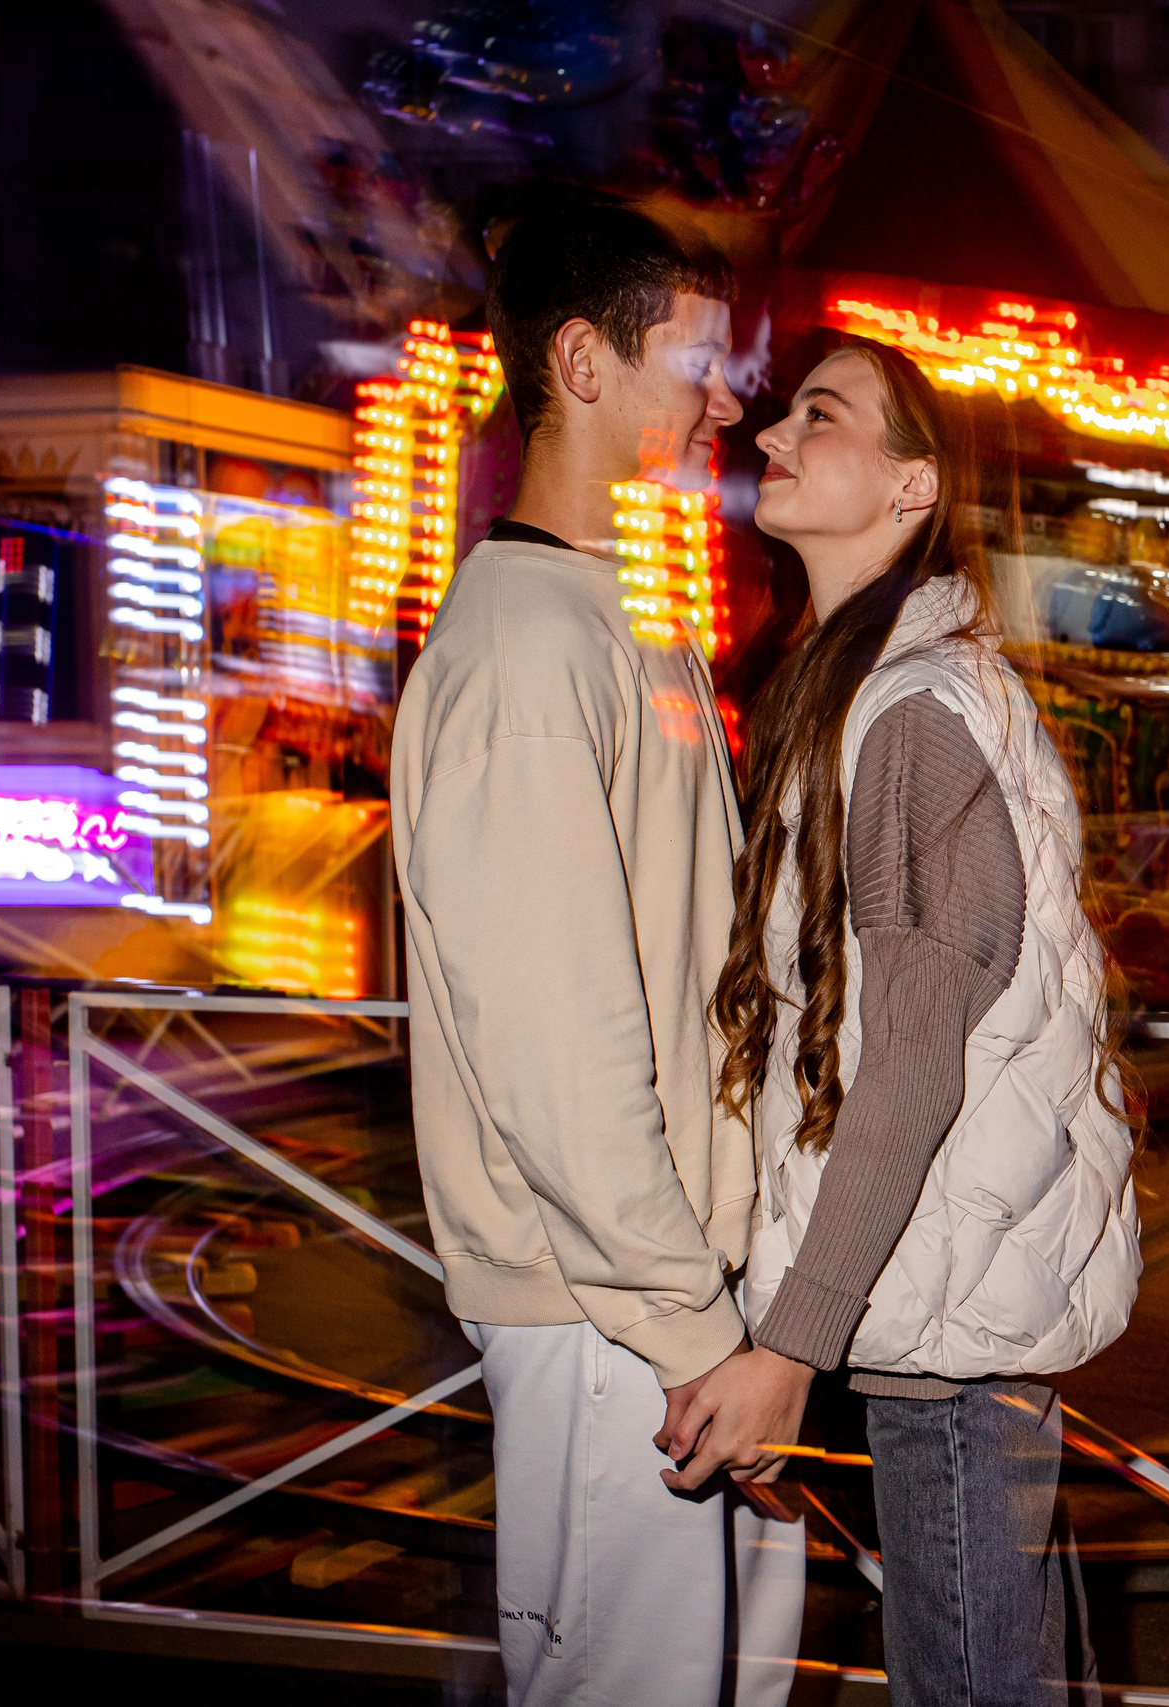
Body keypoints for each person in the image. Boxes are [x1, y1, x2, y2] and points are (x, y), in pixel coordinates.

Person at [389, 200, 805, 1707]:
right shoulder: (520, 655)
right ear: (581, 361)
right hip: (605, 1311)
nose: (729, 394)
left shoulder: (627, 625)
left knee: (716, 1688)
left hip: (668, 1293)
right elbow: (562, 1049)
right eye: (693, 359)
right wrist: (697, 1330)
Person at [695, 337, 1142, 1704]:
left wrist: (791, 1344)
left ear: (911, 486)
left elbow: (915, 1052)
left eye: (818, 416)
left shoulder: (915, 711)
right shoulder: (873, 688)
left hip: (945, 1325)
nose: (772, 433)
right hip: (956, 1290)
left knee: (967, 1684)